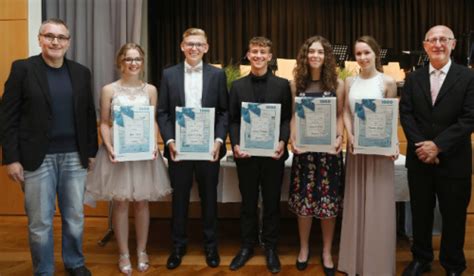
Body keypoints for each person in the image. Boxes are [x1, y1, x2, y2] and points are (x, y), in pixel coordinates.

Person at [0, 18, 98, 275]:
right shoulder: (22, 69)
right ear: (40, 39)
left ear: (68, 42)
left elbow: (88, 114)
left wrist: (91, 151)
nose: (56, 41)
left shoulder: (81, 72)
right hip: (36, 159)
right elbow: (7, 116)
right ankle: (43, 270)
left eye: (61, 37)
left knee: (74, 218)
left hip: (74, 157)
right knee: (40, 222)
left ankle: (75, 263)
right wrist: (11, 158)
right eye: (49, 36)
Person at [85, 43, 172, 274]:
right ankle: (123, 253)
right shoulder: (109, 90)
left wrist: (154, 144)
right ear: (120, 62)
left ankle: (142, 250)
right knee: (121, 203)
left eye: (137, 59)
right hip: (118, 152)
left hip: (144, 152)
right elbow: (104, 123)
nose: (133, 63)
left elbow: (153, 121)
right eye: (128, 59)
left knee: (142, 202)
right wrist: (109, 146)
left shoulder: (151, 90)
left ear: (142, 63)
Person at [400, 25, 474, 276]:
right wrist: (422, 145)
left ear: (453, 44)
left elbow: (469, 118)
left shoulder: (468, 77)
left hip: (454, 160)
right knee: (420, 212)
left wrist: (438, 145)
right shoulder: (413, 78)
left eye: (444, 39)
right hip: (419, 159)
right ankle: (421, 258)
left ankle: (453, 264)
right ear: (425, 46)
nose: (438, 44)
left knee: (453, 215)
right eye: (433, 40)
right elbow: (406, 114)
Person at [157, 27, 229, 269]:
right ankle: (178, 246)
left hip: (209, 149)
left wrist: (219, 141)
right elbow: (163, 112)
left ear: (206, 47)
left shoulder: (217, 76)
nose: (194, 48)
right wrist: (169, 141)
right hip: (179, 149)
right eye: (190, 43)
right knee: (180, 199)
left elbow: (224, 112)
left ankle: (211, 246)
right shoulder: (168, 75)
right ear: (182, 46)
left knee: (210, 198)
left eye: (199, 44)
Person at [228, 36, 292, 274]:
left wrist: (283, 142)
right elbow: (233, 120)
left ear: (270, 57)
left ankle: (271, 247)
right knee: (248, 203)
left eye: (262, 52)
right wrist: (235, 144)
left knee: (272, 203)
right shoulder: (237, 86)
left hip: (273, 156)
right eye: (254, 51)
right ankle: (247, 246)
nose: (258, 56)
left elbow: (286, 118)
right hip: (246, 155)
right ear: (248, 54)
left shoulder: (283, 85)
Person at [338, 36, 398, 276]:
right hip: (356, 150)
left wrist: (393, 143)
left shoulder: (388, 82)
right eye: (358, 54)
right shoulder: (349, 81)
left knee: (379, 205)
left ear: (376, 53)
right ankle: (354, 261)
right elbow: (345, 113)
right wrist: (350, 136)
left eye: (366, 53)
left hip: (380, 152)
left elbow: (391, 116)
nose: (362, 58)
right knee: (355, 203)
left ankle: (378, 263)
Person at [288, 36, 344, 274]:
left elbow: (340, 115)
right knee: (305, 203)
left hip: (329, 153)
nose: (315, 56)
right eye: (311, 51)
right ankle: (304, 248)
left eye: (320, 52)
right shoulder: (295, 84)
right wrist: (293, 138)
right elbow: (293, 117)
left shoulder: (337, 85)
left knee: (327, 204)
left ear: (326, 56)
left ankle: (326, 251)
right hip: (305, 153)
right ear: (305, 55)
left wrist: (340, 137)